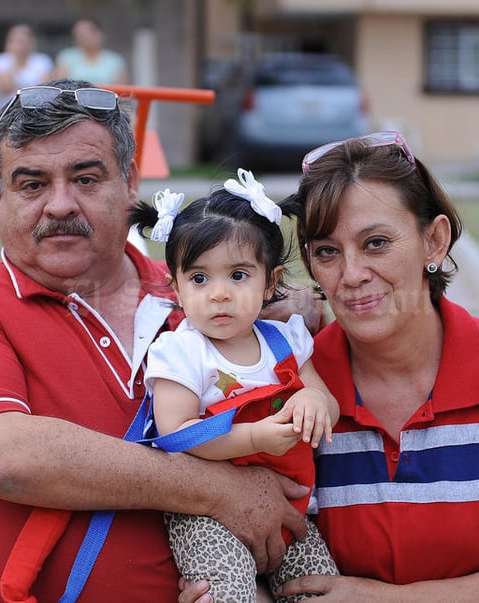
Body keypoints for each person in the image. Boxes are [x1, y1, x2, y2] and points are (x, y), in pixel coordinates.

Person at [0, 78, 317, 602]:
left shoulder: (215, 306)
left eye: (85, 179)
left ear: (129, 183)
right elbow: (1, 456)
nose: (59, 205)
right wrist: (215, 490)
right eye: (31, 184)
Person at [181, 131, 479, 602]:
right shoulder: (284, 386)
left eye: (376, 243)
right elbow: (266, 552)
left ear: (434, 241)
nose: (352, 274)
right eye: (326, 251)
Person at [129, 175, 340, 601]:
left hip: (291, 508)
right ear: (176, 286)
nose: (219, 294)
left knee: (321, 587)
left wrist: (314, 401)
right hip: (205, 516)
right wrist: (255, 437)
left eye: (238, 275)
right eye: (200, 279)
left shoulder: (285, 340)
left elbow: (325, 401)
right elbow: (177, 433)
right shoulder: (182, 352)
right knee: (227, 592)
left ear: (269, 282)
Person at [0, 23, 53, 136]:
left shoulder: (42, 60)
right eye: (16, 41)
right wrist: (14, 59)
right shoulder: (0, 60)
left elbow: (42, 89)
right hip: (5, 106)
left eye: (23, 41)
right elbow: (6, 87)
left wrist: (19, 89)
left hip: (36, 106)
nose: (20, 45)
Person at [54, 18, 127, 85]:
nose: (83, 38)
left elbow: (120, 90)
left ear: (100, 34)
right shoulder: (67, 56)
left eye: (88, 33)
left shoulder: (115, 60)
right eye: (79, 35)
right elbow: (60, 85)